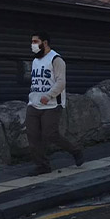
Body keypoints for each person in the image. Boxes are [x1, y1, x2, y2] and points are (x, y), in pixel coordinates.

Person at [26, 31, 84, 175]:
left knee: (50, 134)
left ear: (44, 43)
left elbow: (61, 82)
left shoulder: (56, 59)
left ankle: (75, 151)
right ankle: (42, 165)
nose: (32, 45)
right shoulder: (35, 61)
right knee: (32, 135)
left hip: (52, 104)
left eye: (35, 42)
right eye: (32, 42)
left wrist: (49, 95)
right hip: (33, 103)